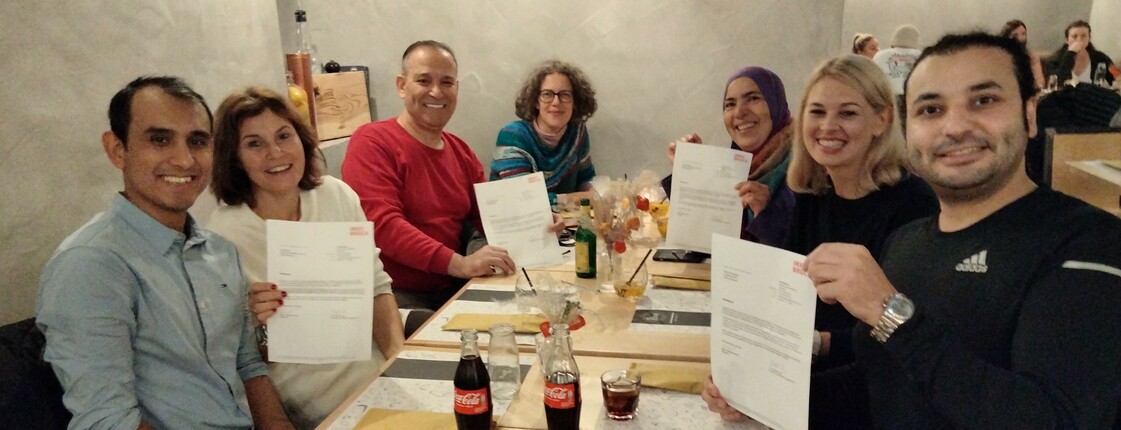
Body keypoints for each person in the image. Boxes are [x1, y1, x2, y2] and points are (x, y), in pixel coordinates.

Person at [705, 32, 1121, 428]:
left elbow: (1057, 419)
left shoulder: (1087, 243)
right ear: (910, 126)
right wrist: (761, 398)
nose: (954, 126)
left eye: (983, 100)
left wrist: (889, 313)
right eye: (931, 109)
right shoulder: (911, 243)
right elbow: (878, 385)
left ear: (1029, 115)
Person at [35, 76, 293, 429]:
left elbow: (247, 364)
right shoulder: (90, 265)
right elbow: (109, 421)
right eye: (160, 139)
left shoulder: (218, 252)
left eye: (197, 141)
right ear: (117, 149)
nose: (184, 159)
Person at [206, 87, 404, 429]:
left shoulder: (336, 195)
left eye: (284, 135)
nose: (276, 152)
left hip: (374, 376)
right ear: (234, 157)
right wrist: (257, 323)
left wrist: (402, 365)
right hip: (307, 404)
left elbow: (376, 288)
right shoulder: (223, 235)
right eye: (254, 143)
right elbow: (237, 359)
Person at [342, 41, 542, 311]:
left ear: (456, 89)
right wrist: (459, 264)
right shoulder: (372, 141)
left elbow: (489, 216)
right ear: (402, 85)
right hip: (395, 295)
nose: (436, 92)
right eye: (423, 80)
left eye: (447, 82)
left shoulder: (460, 151)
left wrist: (537, 224)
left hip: (453, 286)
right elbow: (383, 226)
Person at [784, 54, 938, 370]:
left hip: (870, 384)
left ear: (881, 120)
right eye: (817, 111)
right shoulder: (813, 195)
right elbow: (789, 292)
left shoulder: (913, 204)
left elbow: (904, 325)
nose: (828, 126)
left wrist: (815, 344)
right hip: (805, 366)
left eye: (848, 113)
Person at [662, 66, 795, 247]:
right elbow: (707, 241)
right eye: (730, 104)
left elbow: (807, 253)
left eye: (753, 98)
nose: (739, 112)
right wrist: (690, 173)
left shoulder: (806, 167)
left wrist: (767, 213)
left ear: (775, 103)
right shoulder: (737, 164)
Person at [490, 60, 598, 197]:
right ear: (536, 101)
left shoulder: (578, 132)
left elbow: (586, 178)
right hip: (519, 217)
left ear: (575, 102)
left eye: (565, 95)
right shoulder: (513, 136)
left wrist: (599, 194)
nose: (556, 102)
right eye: (547, 94)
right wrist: (577, 198)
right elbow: (523, 198)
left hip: (566, 217)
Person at [1046, 20, 1115, 86]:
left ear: (1089, 38)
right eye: (1074, 36)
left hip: (1092, 95)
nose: (1079, 40)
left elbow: (1115, 78)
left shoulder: (1100, 58)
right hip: (1065, 95)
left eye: (1083, 36)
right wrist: (1070, 54)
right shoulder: (1055, 60)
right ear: (1067, 40)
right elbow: (1058, 82)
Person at [872, 24, 922, 95]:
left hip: (887, 97)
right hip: (914, 96)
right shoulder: (922, 56)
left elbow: (873, 80)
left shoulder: (880, 55)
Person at [999, 19, 1045, 90]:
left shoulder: (1031, 56)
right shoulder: (998, 56)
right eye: (1015, 35)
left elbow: (1039, 81)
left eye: (1023, 34)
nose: (1020, 38)